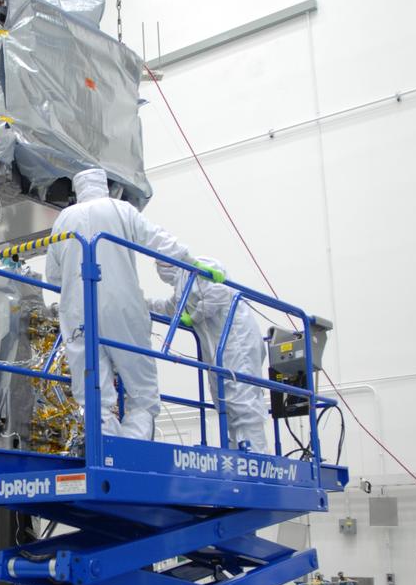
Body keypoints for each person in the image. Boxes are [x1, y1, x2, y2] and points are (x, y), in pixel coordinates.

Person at [45, 168, 199, 440]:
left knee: (94, 394)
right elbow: (159, 241)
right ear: (105, 187)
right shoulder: (120, 210)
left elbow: (53, 276)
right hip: (121, 306)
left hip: (78, 313)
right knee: (141, 392)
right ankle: (132, 450)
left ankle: (107, 452)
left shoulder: (63, 220)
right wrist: (191, 263)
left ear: (78, 192)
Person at [149, 257, 268, 452]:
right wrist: (141, 302)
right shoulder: (182, 286)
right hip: (219, 352)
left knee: (243, 403)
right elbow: (170, 308)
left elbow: (220, 294)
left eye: (161, 263)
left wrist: (195, 316)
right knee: (226, 403)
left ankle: (255, 458)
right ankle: (239, 452)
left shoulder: (200, 268)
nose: (160, 269)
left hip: (237, 344)